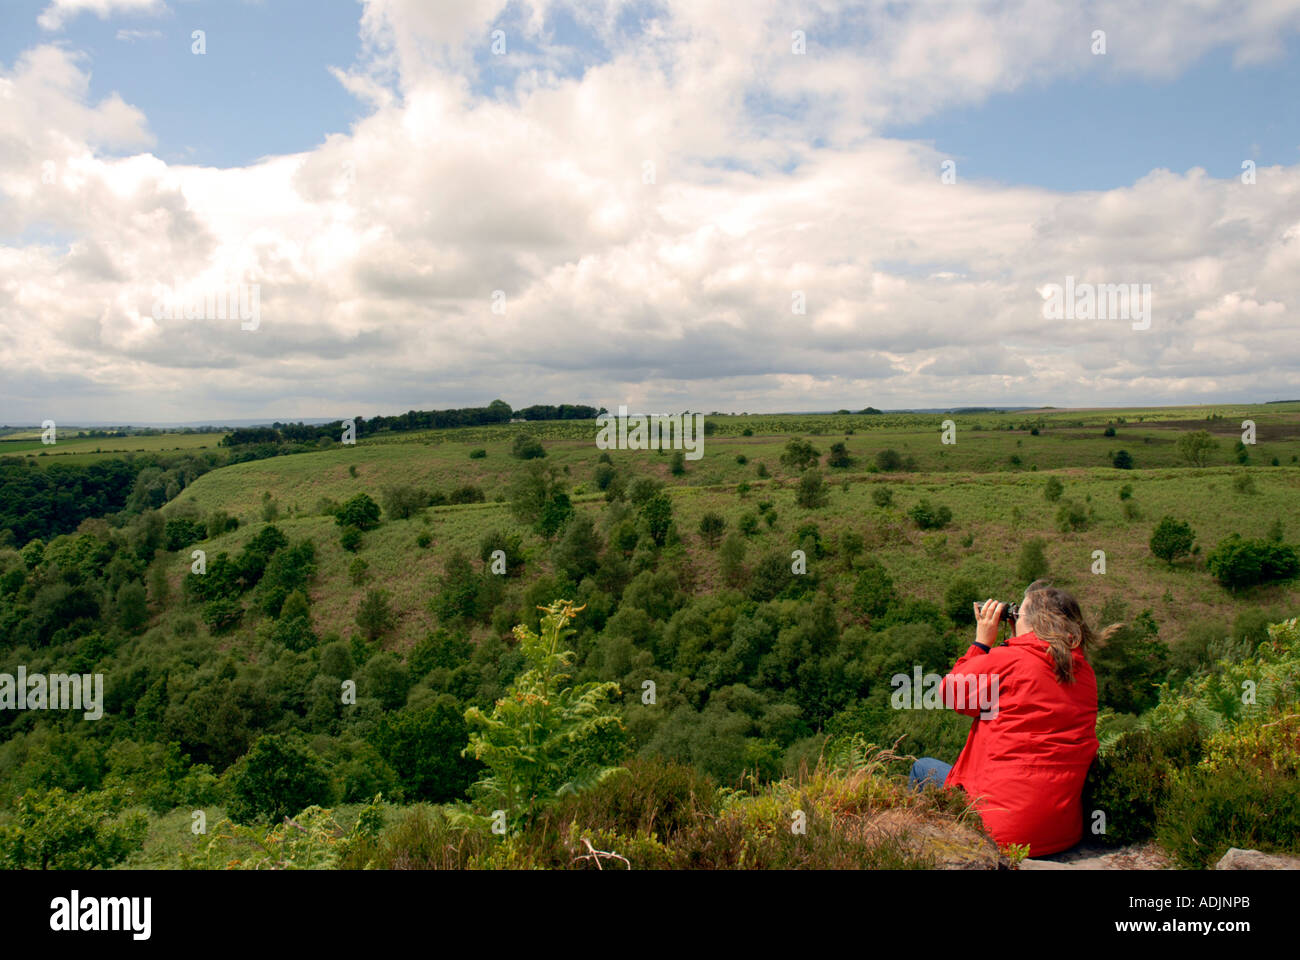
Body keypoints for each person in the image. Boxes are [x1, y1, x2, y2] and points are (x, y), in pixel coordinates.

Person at [908, 580, 1120, 856]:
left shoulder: (1008, 660)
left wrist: (981, 642)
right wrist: (1019, 636)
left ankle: (920, 850)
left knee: (922, 767)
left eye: (1018, 612)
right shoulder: (1085, 673)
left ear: (1029, 622)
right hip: (1061, 834)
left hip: (1000, 832)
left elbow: (952, 694)